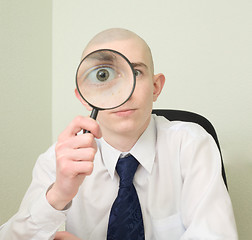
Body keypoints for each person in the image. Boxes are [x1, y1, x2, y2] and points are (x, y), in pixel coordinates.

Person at [0, 28, 238, 240]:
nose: (120, 92)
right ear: (83, 96)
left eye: (135, 73)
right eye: (102, 75)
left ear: (156, 87)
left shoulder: (192, 145)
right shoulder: (57, 161)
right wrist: (58, 195)